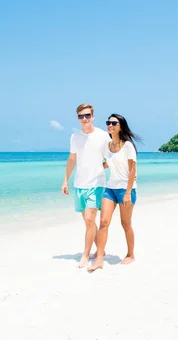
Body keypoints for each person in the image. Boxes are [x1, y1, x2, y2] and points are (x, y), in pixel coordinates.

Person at [88, 113, 141, 272]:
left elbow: (132, 170)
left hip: (126, 189)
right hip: (110, 188)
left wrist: (127, 193)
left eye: (114, 123)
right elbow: (107, 163)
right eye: (108, 122)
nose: (110, 125)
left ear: (120, 126)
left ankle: (130, 254)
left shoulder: (128, 146)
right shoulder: (107, 146)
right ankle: (99, 259)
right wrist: (93, 168)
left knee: (126, 224)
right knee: (104, 222)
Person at [62, 103, 111, 268]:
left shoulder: (103, 136)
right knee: (89, 223)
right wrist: (65, 181)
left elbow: (110, 159)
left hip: (96, 184)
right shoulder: (75, 137)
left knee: (90, 219)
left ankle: (85, 255)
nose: (85, 119)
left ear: (93, 116)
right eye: (81, 116)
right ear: (78, 118)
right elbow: (72, 160)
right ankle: (100, 250)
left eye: (87, 115)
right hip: (79, 185)